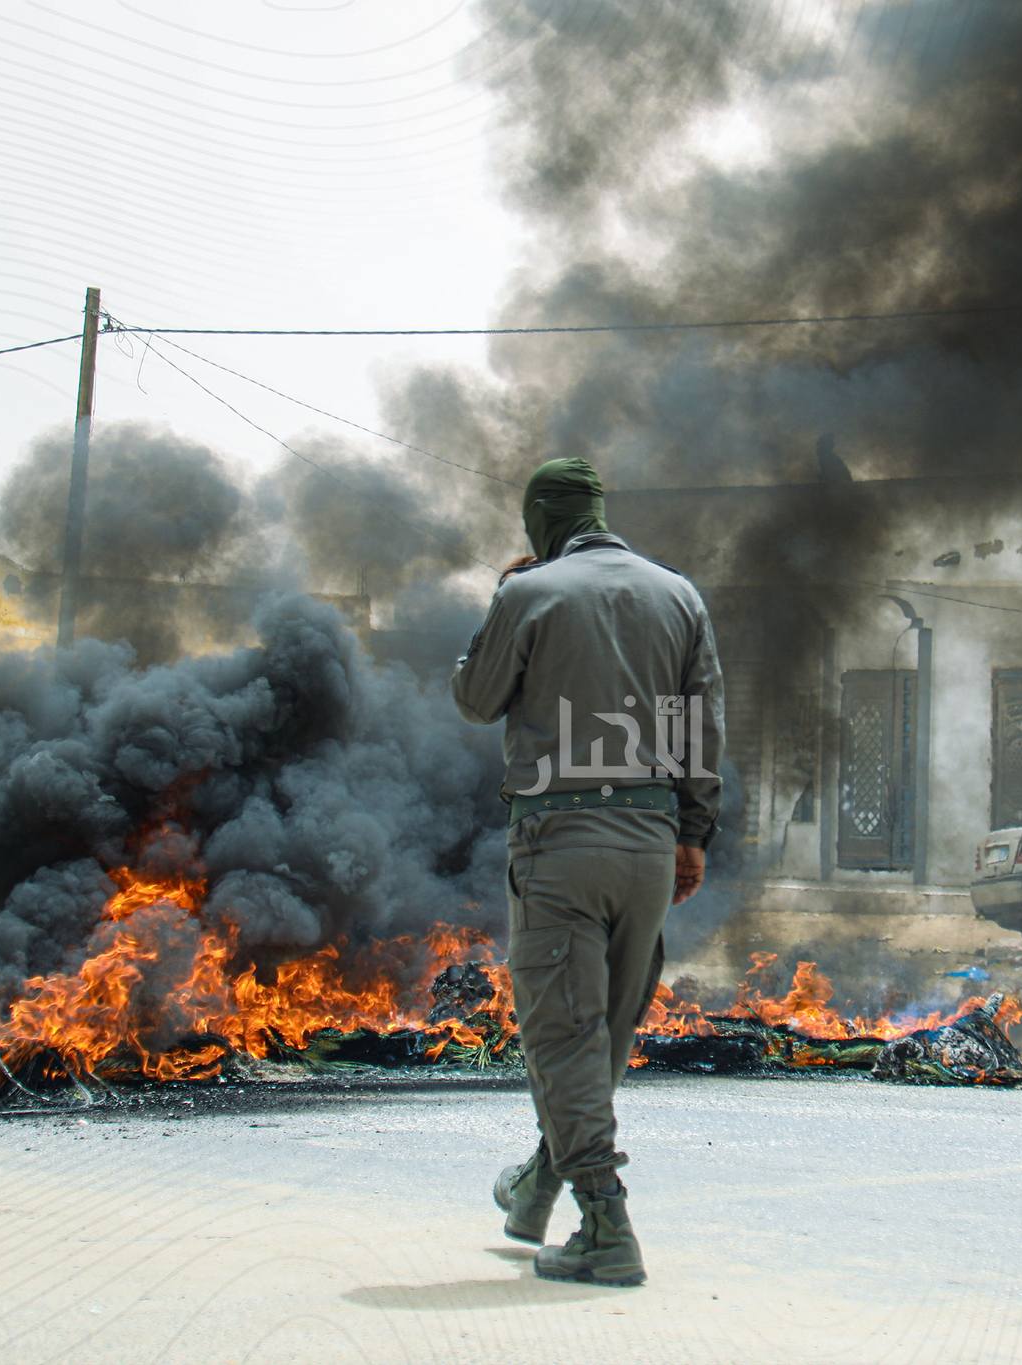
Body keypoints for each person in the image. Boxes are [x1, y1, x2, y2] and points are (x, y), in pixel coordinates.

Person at [451, 457, 723, 1289]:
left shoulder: (531, 593)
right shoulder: (678, 595)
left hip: (560, 842)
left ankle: (606, 1224)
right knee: (600, 1029)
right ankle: (539, 1185)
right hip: (648, 841)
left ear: (542, 520)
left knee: (563, 1034)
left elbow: (475, 695)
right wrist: (692, 833)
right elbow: (698, 724)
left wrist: (503, 597)